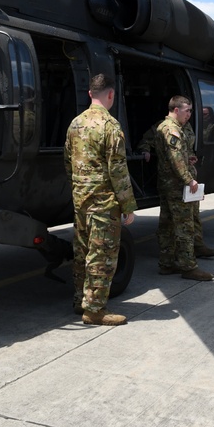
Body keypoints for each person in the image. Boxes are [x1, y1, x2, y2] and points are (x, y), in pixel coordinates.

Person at [64, 73, 137, 326]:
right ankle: (94, 310)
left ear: (89, 94)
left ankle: (80, 300)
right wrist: (128, 206)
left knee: (82, 252)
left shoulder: (75, 124)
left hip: (80, 199)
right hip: (104, 203)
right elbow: (118, 170)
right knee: (102, 255)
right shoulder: (110, 126)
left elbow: (68, 162)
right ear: (111, 94)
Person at [153, 95, 214, 281]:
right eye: (187, 110)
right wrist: (189, 180)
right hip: (177, 186)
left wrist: (188, 159)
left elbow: (172, 157)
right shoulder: (172, 129)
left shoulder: (163, 127)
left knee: (167, 224)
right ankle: (188, 266)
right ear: (177, 110)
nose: (189, 114)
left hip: (166, 183)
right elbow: (175, 158)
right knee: (185, 226)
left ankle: (166, 263)